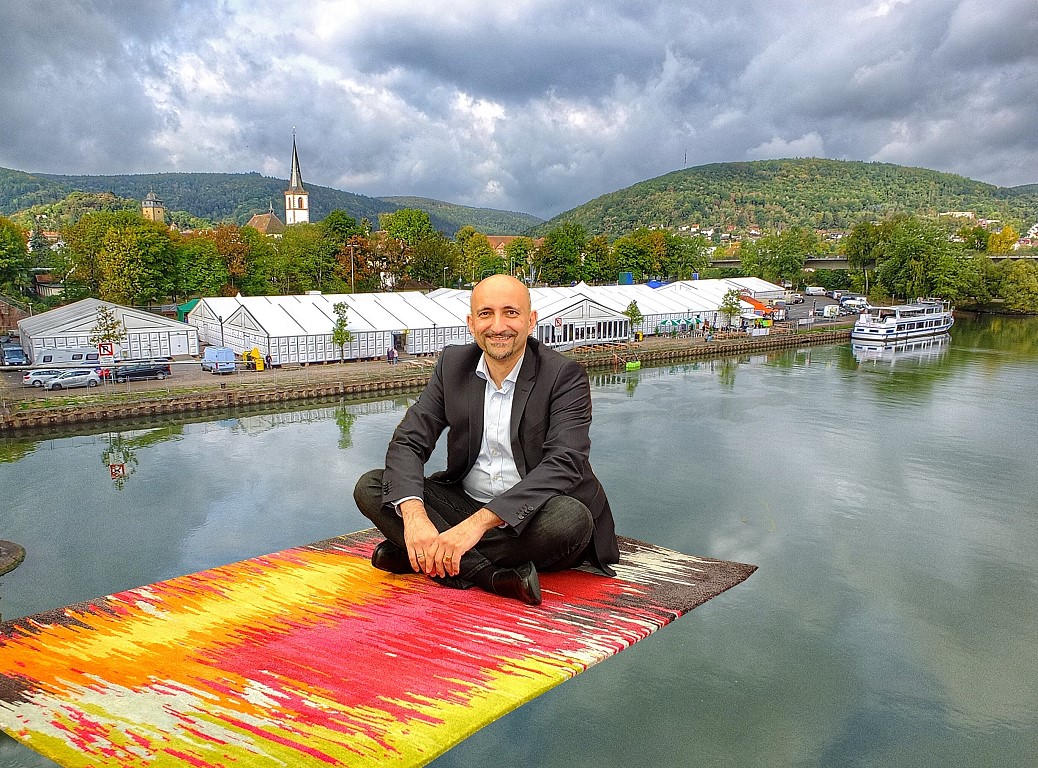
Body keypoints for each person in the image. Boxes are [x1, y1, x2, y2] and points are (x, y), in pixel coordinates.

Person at [354, 275, 619, 605]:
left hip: (535, 512)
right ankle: (490, 575)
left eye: (511, 312)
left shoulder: (564, 375)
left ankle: (417, 559)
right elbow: (409, 441)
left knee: (570, 521)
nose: (498, 326)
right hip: (466, 502)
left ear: (531, 321)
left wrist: (474, 527)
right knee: (372, 486)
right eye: (485, 314)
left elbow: (565, 463)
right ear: (470, 322)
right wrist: (415, 517)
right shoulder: (453, 365)